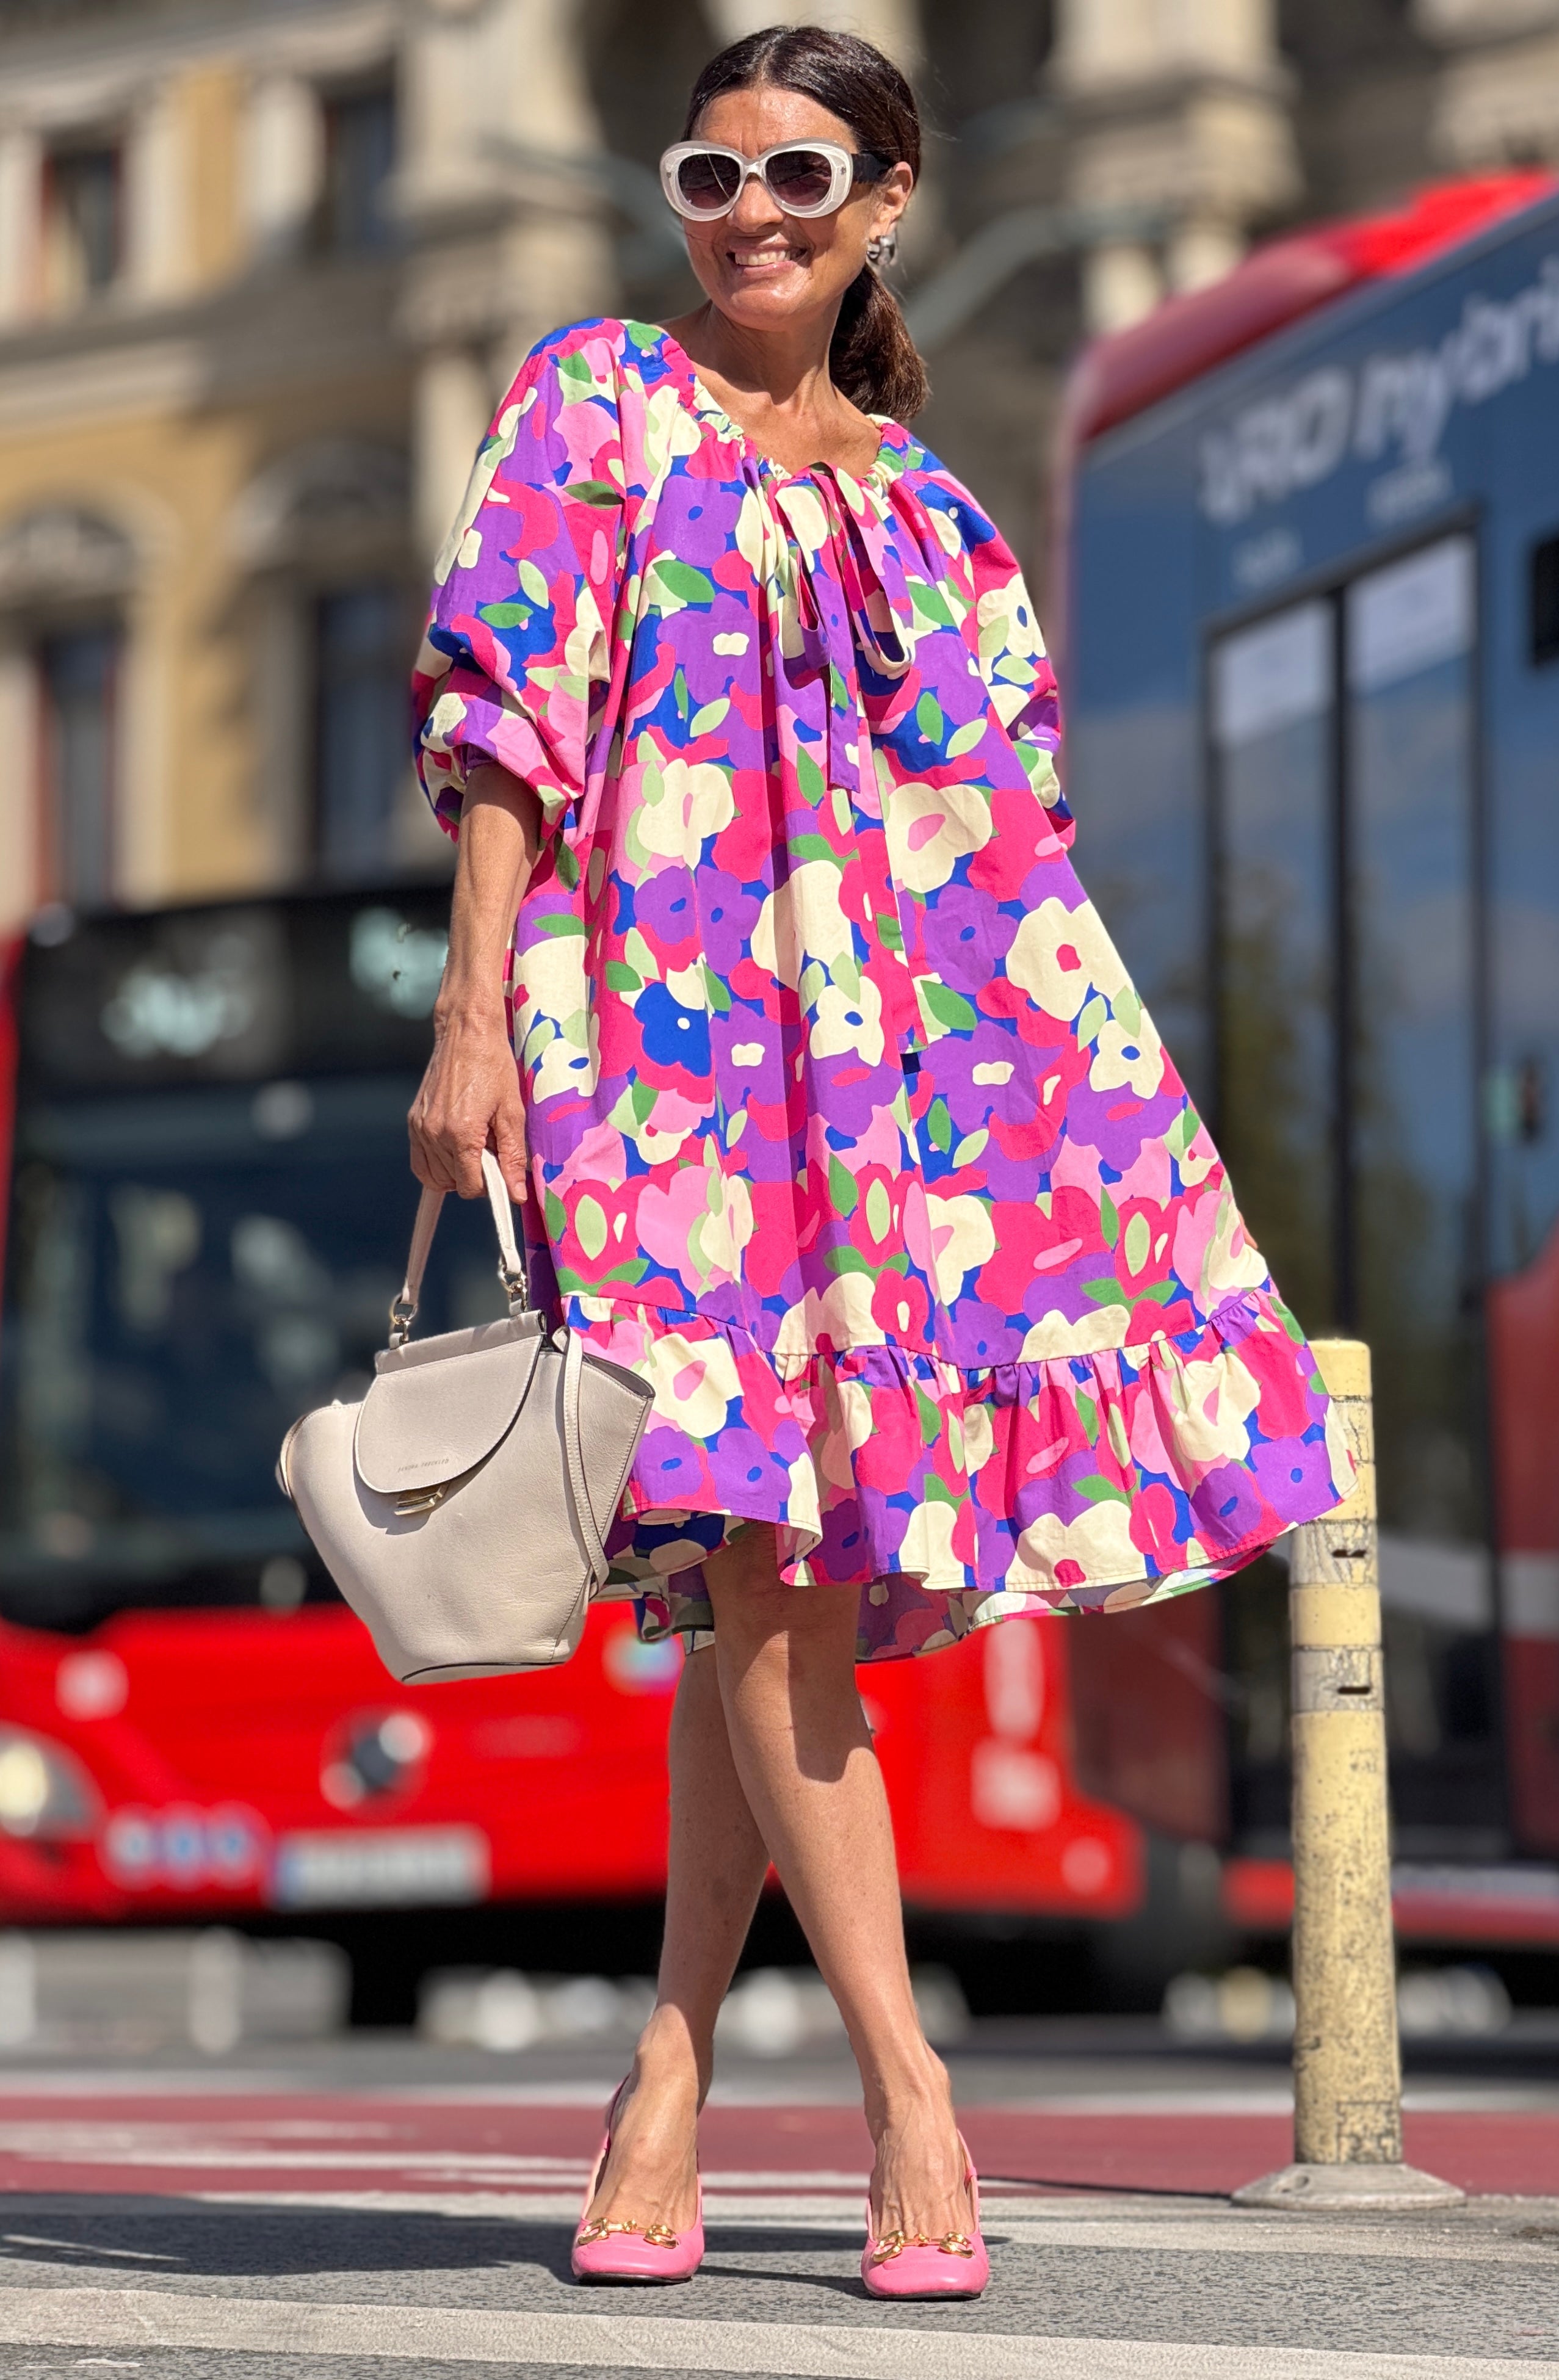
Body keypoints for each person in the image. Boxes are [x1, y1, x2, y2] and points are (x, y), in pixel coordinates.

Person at [408, 23, 1348, 2302]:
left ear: (888, 196)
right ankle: (910, 2087)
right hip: (654, 1058)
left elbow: (994, 841)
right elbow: (510, 712)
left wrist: (1058, 1121)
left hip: (888, 1097)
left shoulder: (930, 505)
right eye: (706, 171)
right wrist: (470, 1015)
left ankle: (662, 2065)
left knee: (773, 1574)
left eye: (796, 171)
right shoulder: (591, 405)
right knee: (755, 1564)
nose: (745, 211)